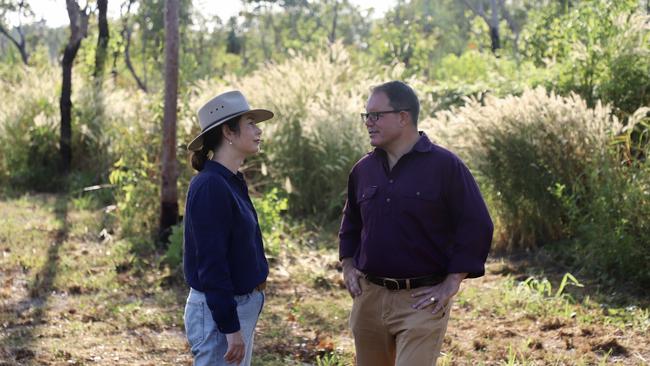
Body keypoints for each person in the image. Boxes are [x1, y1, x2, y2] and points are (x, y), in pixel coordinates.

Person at [339, 81, 493, 366]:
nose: (368, 123)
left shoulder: (446, 167)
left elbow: (477, 224)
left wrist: (452, 281)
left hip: (422, 301)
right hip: (369, 299)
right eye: (366, 116)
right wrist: (348, 265)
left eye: (376, 115)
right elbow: (351, 223)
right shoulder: (363, 170)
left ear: (403, 116)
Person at [183, 90, 273, 366]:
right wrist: (229, 326)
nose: (259, 131)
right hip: (219, 315)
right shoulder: (210, 186)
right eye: (250, 124)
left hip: (238, 307)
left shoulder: (231, 180)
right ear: (229, 133)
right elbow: (212, 264)